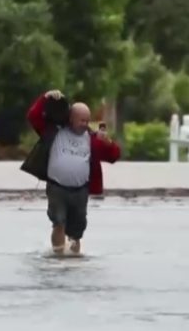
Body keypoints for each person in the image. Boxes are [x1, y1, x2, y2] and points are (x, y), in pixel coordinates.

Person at [21, 89, 121, 254]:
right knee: (58, 221)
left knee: (77, 231)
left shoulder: (92, 138)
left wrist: (108, 142)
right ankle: (58, 256)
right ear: (71, 118)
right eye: (82, 120)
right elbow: (33, 117)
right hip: (57, 187)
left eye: (88, 121)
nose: (85, 124)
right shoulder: (54, 131)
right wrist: (45, 97)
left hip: (80, 190)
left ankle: (74, 260)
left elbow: (114, 156)